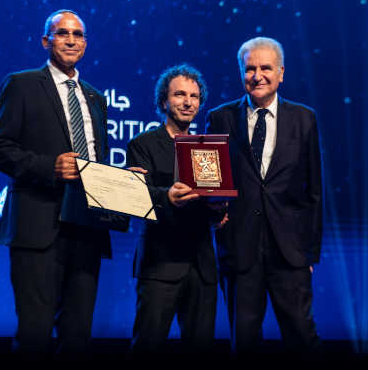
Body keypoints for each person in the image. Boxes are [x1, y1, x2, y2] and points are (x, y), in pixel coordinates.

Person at [0, 9, 111, 356]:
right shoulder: (22, 84)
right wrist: (49, 167)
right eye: (62, 33)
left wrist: (121, 183)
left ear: (85, 43)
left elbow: (98, 159)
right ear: (46, 41)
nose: (71, 40)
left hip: (86, 229)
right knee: (35, 335)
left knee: (78, 337)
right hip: (38, 228)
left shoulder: (96, 98)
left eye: (78, 34)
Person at [205, 37, 323, 355]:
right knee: (244, 343)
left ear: (281, 73)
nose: (257, 76)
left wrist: (309, 253)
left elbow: (314, 191)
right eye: (250, 69)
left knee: (303, 338)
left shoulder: (304, 119)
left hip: (290, 253)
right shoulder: (220, 118)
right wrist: (215, 216)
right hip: (239, 250)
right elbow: (210, 184)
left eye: (266, 68)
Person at [126, 64, 224, 354]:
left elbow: (211, 204)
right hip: (160, 264)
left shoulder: (207, 148)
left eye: (194, 96)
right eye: (179, 94)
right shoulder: (142, 145)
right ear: (164, 100)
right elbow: (136, 198)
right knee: (147, 347)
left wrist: (220, 210)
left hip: (202, 266)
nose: (187, 102)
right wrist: (167, 197)